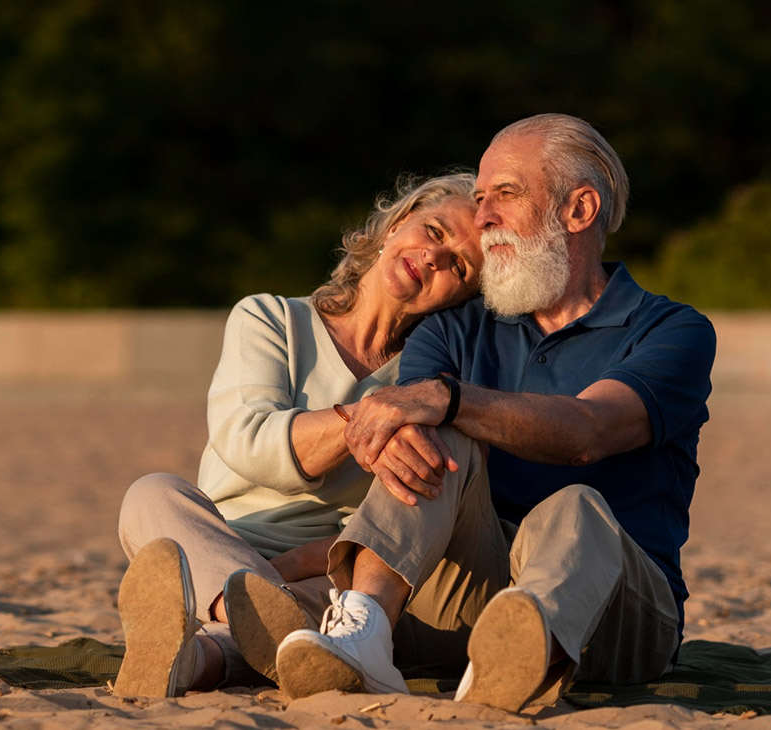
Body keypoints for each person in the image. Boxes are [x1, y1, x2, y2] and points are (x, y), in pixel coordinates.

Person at [271, 113, 716, 712]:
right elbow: (411, 438)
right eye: (479, 199)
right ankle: (363, 633)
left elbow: (590, 432)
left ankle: (523, 650)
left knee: (573, 505)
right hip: (473, 586)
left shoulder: (672, 330)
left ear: (579, 211)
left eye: (505, 195)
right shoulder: (454, 330)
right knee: (437, 439)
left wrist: (453, 398)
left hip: (622, 606)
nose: (482, 219)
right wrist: (428, 413)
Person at [112, 171, 485, 697]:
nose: (434, 258)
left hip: (331, 562)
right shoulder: (270, 317)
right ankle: (253, 613)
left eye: (459, 267)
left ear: (465, 296)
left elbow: (410, 517)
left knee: (338, 609)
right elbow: (249, 440)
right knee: (150, 494)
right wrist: (372, 415)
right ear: (398, 223)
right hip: (222, 537)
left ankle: (194, 658)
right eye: (436, 232)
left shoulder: (434, 380)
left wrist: (306, 560)